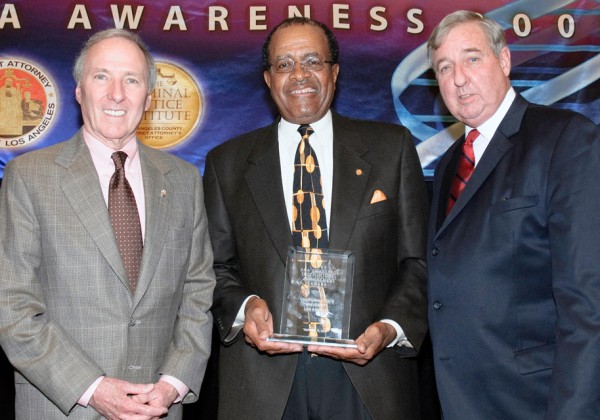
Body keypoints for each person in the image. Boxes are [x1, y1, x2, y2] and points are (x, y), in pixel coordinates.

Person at [203, 17, 431, 420]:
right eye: (284, 64)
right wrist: (246, 306)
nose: (300, 75)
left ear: (335, 72)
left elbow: (417, 261)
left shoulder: (390, 149)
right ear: (268, 79)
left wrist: (390, 327)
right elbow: (213, 268)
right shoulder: (227, 163)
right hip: (264, 385)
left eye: (313, 60)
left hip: (368, 378)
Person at [0, 28, 215, 419]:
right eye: (101, 76)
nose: (117, 93)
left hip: (159, 408)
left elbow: (197, 290)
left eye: (131, 80)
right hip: (63, 407)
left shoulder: (183, 180)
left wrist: (174, 383)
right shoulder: (29, 177)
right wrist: (93, 388)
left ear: (149, 98)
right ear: (80, 90)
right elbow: (12, 306)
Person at [426, 10, 600, 419]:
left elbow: (587, 302)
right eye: (444, 68)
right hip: (461, 401)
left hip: (537, 403)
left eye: (472, 58)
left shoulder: (564, 139)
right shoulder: (451, 162)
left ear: (503, 61)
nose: (459, 78)